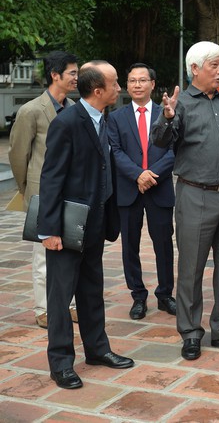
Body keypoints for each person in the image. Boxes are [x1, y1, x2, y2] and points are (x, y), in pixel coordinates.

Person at [151, 41, 219, 361]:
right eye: (214, 65)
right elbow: (160, 141)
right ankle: (190, 331)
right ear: (195, 68)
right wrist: (168, 117)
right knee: (191, 267)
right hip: (195, 195)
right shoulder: (179, 103)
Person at [39, 61, 134, 389]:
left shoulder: (104, 118)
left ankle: (97, 350)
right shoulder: (67, 123)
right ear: (98, 91)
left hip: (95, 222)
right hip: (67, 225)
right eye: (115, 83)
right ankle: (61, 363)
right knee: (60, 297)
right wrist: (48, 229)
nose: (119, 88)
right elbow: (51, 178)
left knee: (92, 291)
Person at [8, 51, 79, 329]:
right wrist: (28, 189)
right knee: (43, 255)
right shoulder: (31, 111)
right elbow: (18, 155)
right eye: (72, 73)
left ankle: (69, 304)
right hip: (42, 193)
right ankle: (44, 309)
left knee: (71, 250)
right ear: (55, 75)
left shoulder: (74, 108)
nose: (76, 78)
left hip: (71, 193)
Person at [107, 63, 176, 320]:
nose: (137, 84)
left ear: (153, 84)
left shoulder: (167, 114)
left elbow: (173, 150)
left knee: (164, 245)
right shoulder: (115, 117)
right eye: (132, 80)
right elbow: (115, 151)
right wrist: (138, 174)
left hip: (159, 188)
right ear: (127, 85)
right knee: (130, 247)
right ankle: (138, 295)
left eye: (142, 80)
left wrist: (151, 175)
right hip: (129, 188)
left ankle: (165, 294)